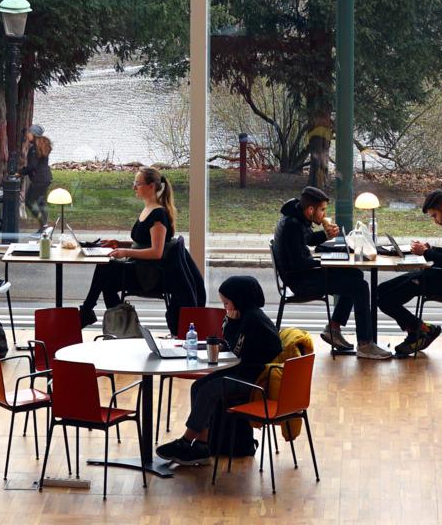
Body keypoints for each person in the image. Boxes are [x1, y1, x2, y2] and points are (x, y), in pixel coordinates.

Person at [156, 274, 278, 465]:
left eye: (227, 303)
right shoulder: (244, 316)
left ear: (239, 301)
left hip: (254, 379)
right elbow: (234, 345)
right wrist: (231, 325)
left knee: (207, 390)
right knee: (198, 386)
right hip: (240, 372)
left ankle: (186, 441)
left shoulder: (254, 320)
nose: (224, 308)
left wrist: (235, 325)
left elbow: (244, 349)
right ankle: (202, 445)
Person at [271, 186, 391, 359]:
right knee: (360, 287)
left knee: (355, 275)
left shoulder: (296, 216)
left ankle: (333, 328)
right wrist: (328, 262)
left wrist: (326, 236)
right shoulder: (293, 226)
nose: (324, 214)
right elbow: (301, 263)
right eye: (322, 210)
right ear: (311, 209)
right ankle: (365, 344)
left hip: (301, 275)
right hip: (301, 282)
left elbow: (309, 239)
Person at [375, 187, 442, 358]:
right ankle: (420, 331)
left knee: (385, 298)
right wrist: (430, 249)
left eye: (434, 215)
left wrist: (424, 253)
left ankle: (420, 331)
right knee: (380, 291)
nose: (435, 220)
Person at [75, 166, 176, 329]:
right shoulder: (148, 209)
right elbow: (144, 243)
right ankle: (119, 326)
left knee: (104, 269)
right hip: (138, 268)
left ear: (151, 186)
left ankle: (88, 312)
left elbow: (156, 252)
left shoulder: (158, 214)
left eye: (138, 183)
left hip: (148, 275)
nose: (134, 187)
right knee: (106, 281)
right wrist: (119, 243)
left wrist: (125, 252)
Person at [21, 126, 53, 223]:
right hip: (46, 178)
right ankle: (44, 227)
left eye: (29, 133)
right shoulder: (42, 146)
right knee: (41, 203)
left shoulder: (34, 148)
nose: (27, 135)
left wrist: (20, 172)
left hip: (39, 179)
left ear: (34, 134)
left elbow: (32, 166)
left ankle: (43, 224)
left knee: (29, 201)